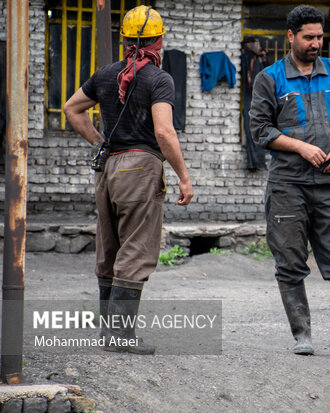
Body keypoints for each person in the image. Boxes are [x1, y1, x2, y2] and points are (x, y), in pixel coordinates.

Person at [63, 5, 193, 355]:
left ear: (124, 40)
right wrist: (183, 176)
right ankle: (120, 337)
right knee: (136, 248)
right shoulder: (158, 79)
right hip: (140, 166)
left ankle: (109, 334)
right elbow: (164, 132)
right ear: (159, 41)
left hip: (108, 168)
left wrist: (99, 141)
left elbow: (72, 108)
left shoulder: (106, 74)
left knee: (110, 248)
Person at [250, 5, 330, 359]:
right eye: (308, 37)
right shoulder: (270, 78)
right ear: (290, 36)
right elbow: (260, 129)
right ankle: (302, 335)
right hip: (288, 185)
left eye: (320, 36)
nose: (316, 43)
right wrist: (302, 147)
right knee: (289, 262)